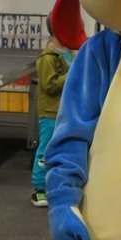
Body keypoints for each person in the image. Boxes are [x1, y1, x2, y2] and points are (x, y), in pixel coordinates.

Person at [31, 22, 73, 207]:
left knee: (63, 149)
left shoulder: (70, 53)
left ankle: (57, 185)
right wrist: (72, 72)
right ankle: (39, 189)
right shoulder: (47, 58)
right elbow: (50, 85)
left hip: (65, 110)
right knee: (45, 151)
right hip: (50, 112)